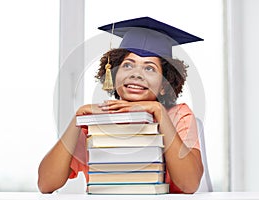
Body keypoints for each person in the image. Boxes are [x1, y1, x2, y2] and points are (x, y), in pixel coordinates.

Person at [38, 16, 204, 194]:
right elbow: (46, 184)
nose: (136, 74)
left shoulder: (178, 116)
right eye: (127, 65)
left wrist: (159, 112)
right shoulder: (95, 122)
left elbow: (190, 184)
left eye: (149, 68)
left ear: (165, 85)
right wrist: (77, 119)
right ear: (113, 74)